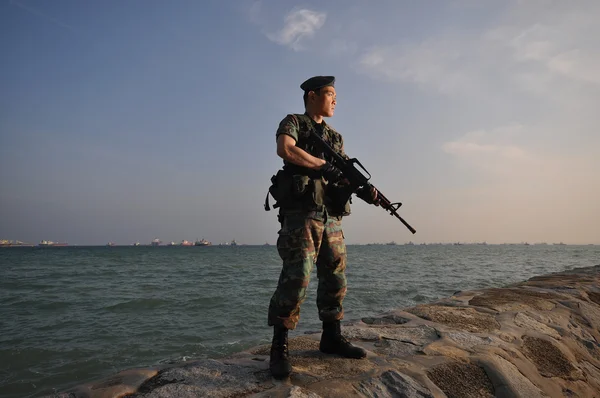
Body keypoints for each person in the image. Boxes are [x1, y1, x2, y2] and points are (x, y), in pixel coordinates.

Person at [266, 76, 378, 379]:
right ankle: (279, 346)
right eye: (331, 94)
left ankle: (331, 336)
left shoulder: (335, 137)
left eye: (336, 96)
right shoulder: (294, 123)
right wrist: (319, 164)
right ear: (313, 95)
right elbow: (285, 150)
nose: (335, 100)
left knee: (335, 277)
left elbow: (340, 176)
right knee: (297, 277)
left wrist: (363, 190)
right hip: (302, 215)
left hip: (331, 217)